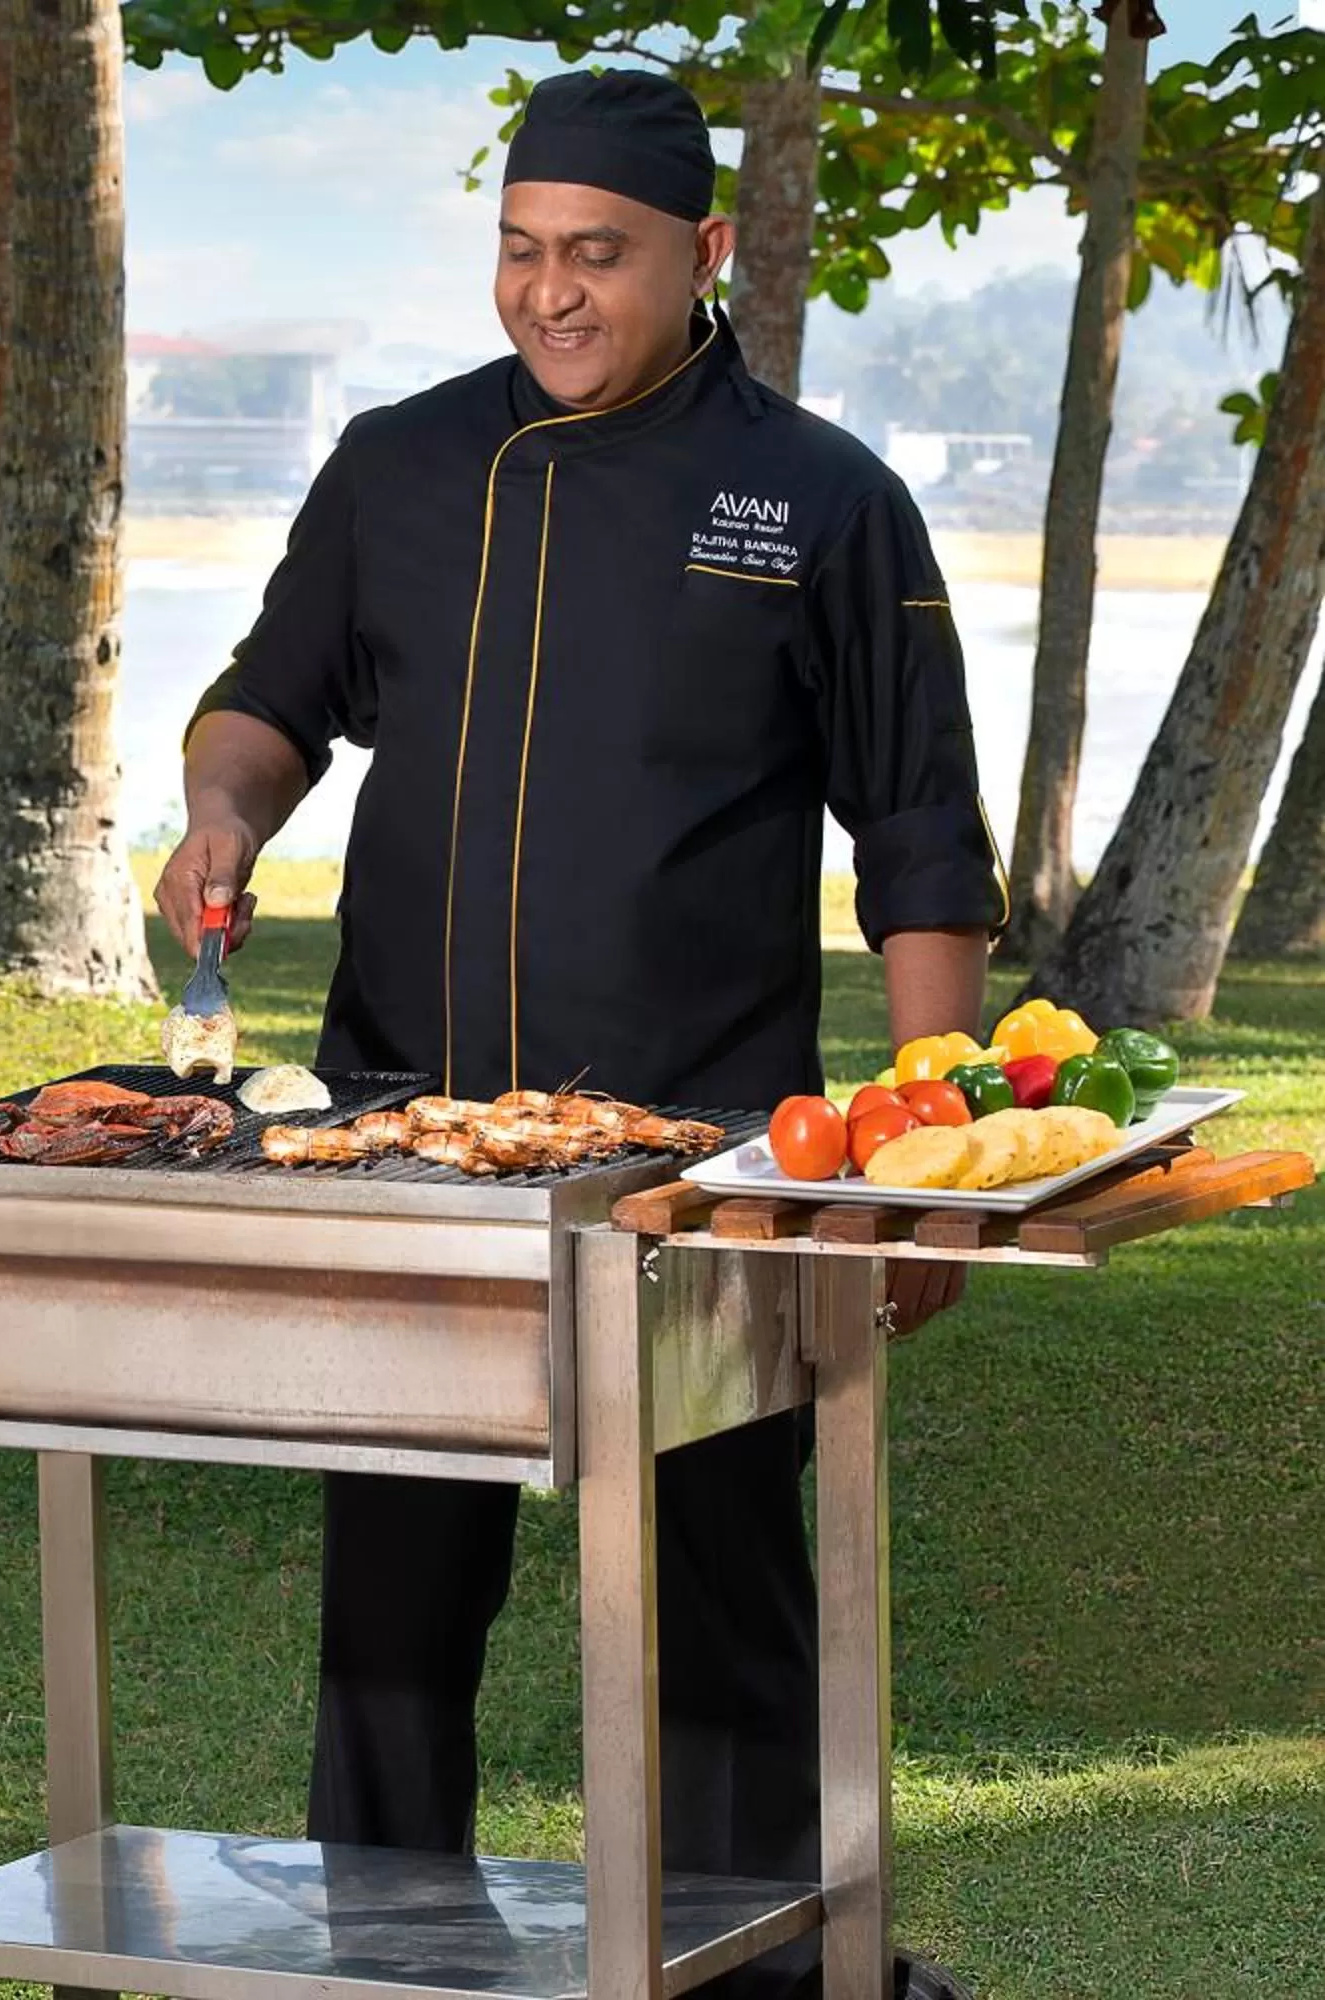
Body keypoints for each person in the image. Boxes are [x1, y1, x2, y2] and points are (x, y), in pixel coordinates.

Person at [153, 69, 1000, 2000]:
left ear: (705, 256)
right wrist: (224, 812)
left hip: (699, 1155)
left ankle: (761, 1975)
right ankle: (380, 1954)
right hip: (406, 1125)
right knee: (393, 1590)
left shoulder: (824, 498)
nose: (551, 296)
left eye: (596, 258)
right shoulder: (396, 461)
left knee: (721, 1591)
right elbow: (265, 702)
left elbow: (922, 842)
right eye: (523, 254)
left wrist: (927, 1140)